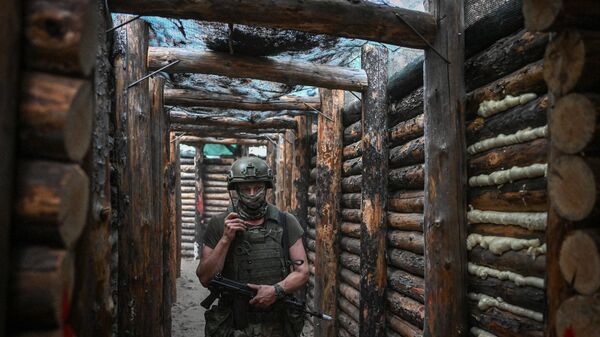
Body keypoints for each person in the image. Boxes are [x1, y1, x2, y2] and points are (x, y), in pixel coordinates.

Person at [196, 156, 309, 337]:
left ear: (266, 188)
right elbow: (205, 277)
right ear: (236, 190)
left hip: (275, 323)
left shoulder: (286, 222)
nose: (251, 194)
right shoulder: (219, 224)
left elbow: (302, 272)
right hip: (233, 323)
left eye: (257, 188)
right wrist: (226, 239)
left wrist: (275, 290)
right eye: (245, 189)